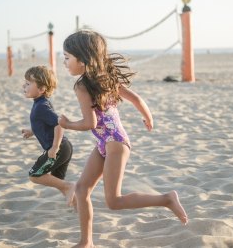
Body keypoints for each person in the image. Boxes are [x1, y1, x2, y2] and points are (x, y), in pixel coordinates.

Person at [59, 30, 188, 248]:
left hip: (115, 145)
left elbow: (89, 123)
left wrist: (67, 124)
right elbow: (136, 98)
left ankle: (167, 198)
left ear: (82, 59)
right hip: (106, 143)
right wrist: (148, 117)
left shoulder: (82, 86)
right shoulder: (105, 77)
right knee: (82, 190)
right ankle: (86, 242)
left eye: (66, 58)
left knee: (114, 201)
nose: (64, 63)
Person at [22, 65, 75, 206]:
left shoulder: (41, 107)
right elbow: (46, 124)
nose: (24, 86)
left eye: (28, 84)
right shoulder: (40, 103)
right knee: (59, 182)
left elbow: (58, 124)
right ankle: (78, 207)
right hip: (64, 147)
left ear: (41, 89)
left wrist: (54, 148)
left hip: (59, 149)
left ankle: (70, 187)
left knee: (34, 175)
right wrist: (32, 130)